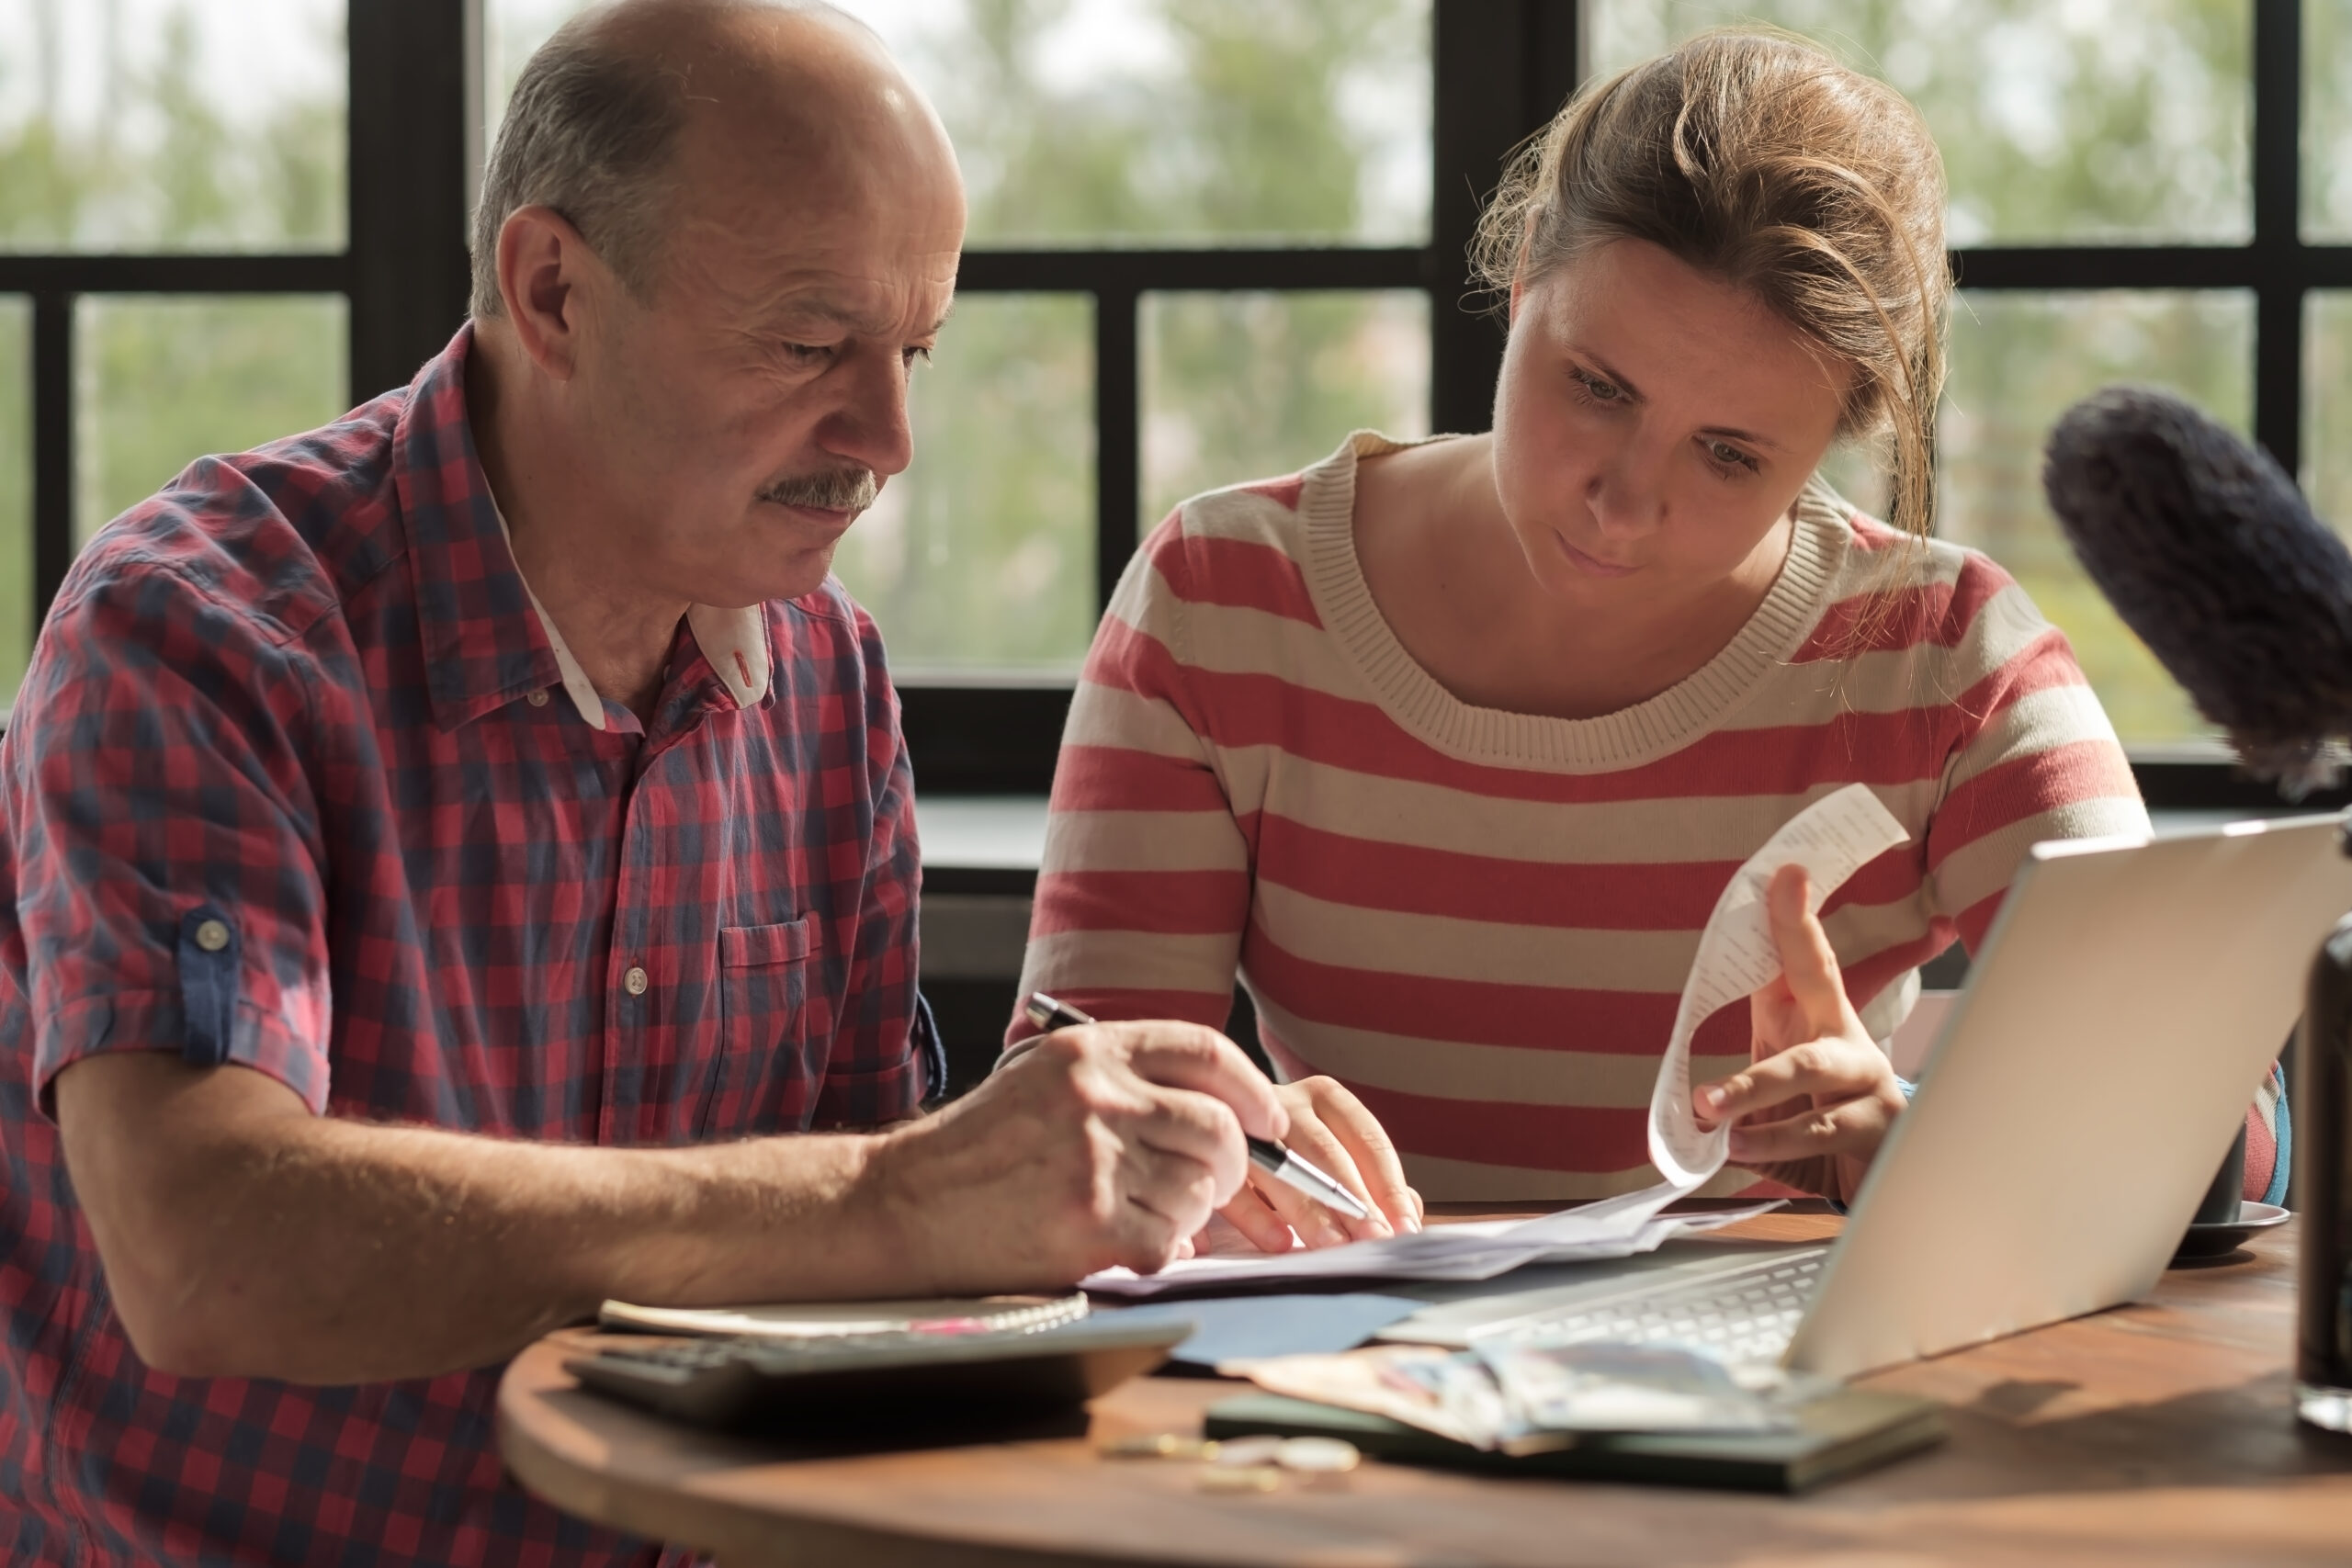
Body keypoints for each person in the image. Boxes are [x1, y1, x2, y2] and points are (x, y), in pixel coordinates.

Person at [0, 4, 1292, 1563]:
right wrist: (896, 1198)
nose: (888, 438)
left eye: (916, 352)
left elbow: (859, 1278)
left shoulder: (827, 683)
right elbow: (201, 1250)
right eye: (809, 345)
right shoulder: (205, 633)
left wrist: (1143, 1231)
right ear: (553, 291)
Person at [1012, 28, 2287, 1221]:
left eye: (1729, 456)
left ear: (1825, 453)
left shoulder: (1943, 656)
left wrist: (1910, 1130)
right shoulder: (1224, 599)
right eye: (1596, 386)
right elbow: (1060, 1122)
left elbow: (2234, 1131)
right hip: (1331, 1399)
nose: (1623, 506)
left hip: (1775, 1410)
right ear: (1519, 291)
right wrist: (1195, 1156)